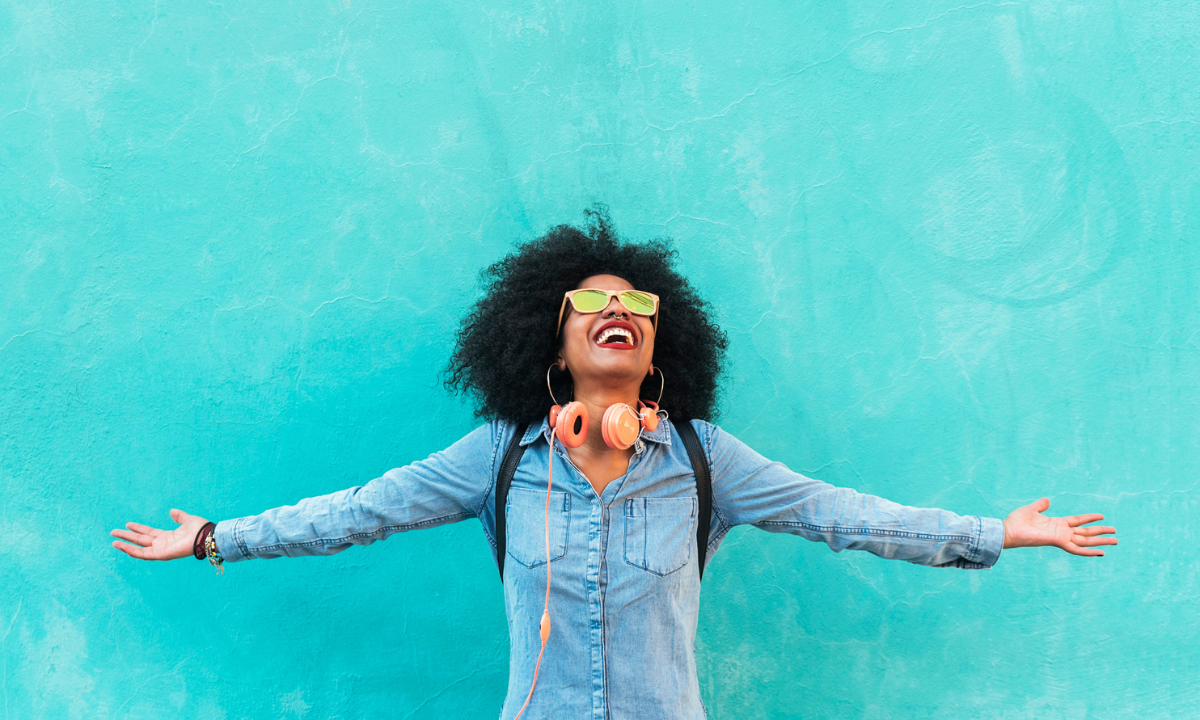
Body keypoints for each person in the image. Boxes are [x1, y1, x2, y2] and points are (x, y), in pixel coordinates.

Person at [111, 209, 1118, 720]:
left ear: (661, 341)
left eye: (637, 307)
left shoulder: (705, 460)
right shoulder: (495, 461)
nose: (616, 315)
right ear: (549, 347)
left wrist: (996, 532)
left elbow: (842, 512)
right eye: (590, 305)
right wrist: (213, 539)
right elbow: (356, 513)